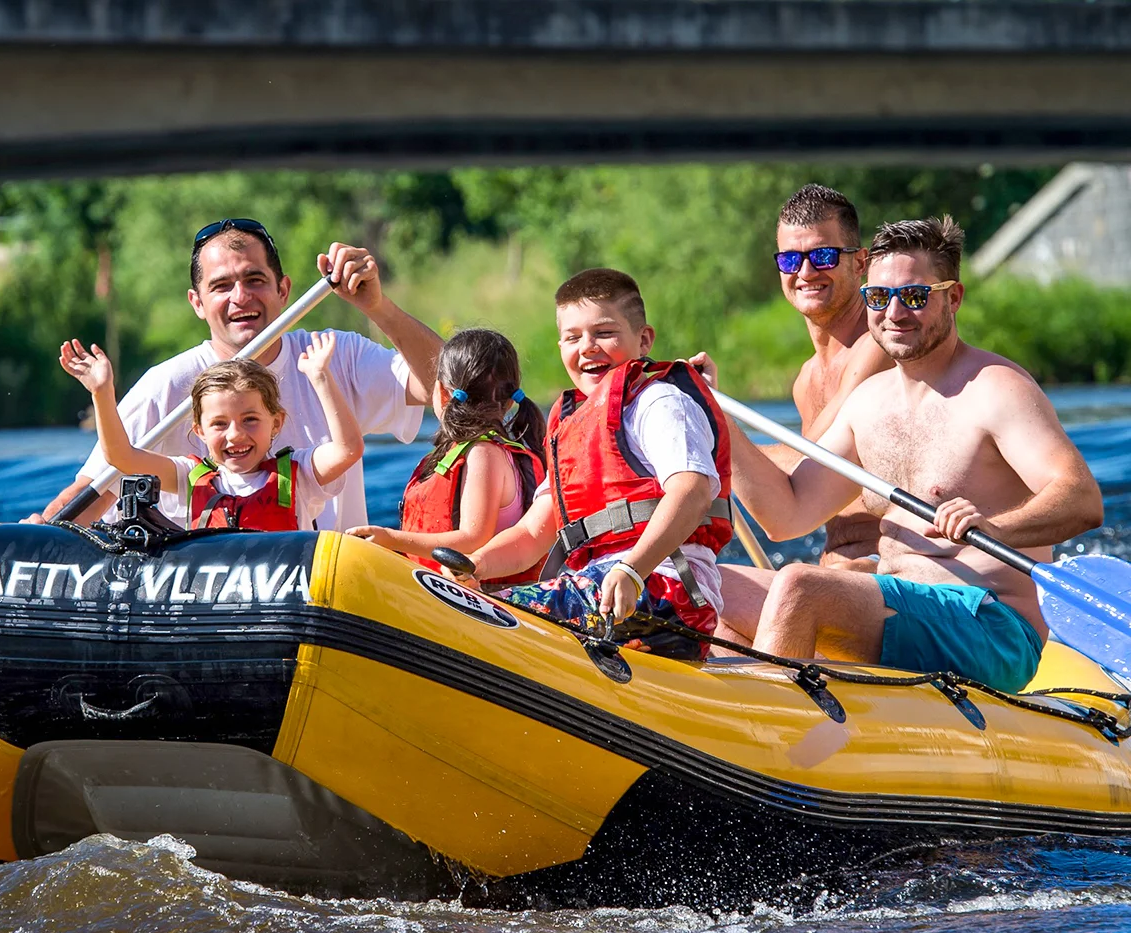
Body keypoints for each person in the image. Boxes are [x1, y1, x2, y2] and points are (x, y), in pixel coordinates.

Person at [718, 215, 1103, 693]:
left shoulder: (996, 390)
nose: (895, 312)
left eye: (915, 297)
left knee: (799, 586)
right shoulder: (868, 402)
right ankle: (721, 739)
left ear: (953, 297)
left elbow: (1082, 499)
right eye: (878, 298)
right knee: (712, 585)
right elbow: (787, 514)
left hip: (988, 626)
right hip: (901, 610)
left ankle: (768, 734)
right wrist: (719, 423)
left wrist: (997, 527)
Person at [30, 218, 441, 528]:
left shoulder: (331, 356)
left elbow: (445, 385)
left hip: (324, 596)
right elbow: (100, 486)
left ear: (283, 290)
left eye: (255, 279)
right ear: (197, 302)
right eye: (222, 285)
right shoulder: (168, 386)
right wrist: (38, 538)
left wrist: (377, 307)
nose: (240, 297)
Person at [455, 269, 734, 661]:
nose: (587, 347)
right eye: (573, 337)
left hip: (663, 592)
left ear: (643, 339)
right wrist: (475, 565)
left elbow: (693, 491)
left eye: (604, 333)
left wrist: (633, 570)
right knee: (471, 606)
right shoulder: (569, 427)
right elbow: (534, 533)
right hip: (598, 591)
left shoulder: (659, 402)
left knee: (486, 618)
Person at [695, 183, 892, 580]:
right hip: (837, 567)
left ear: (860, 263)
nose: (805, 272)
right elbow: (789, 493)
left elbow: (805, 465)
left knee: (723, 585)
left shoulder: (881, 346)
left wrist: (710, 425)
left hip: (896, 570)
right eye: (790, 259)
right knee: (702, 583)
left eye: (822, 255)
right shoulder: (806, 379)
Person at [59, 331, 362, 531]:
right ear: (199, 431)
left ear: (277, 423)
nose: (235, 435)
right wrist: (102, 393)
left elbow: (348, 450)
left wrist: (321, 378)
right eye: (219, 424)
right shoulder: (189, 477)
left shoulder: (298, 474)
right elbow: (120, 456)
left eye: (250, 420)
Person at [346, 328, 547, 583]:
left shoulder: (484, 454)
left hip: (481, 599)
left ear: (441, 393)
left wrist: (390, 538)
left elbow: (473, 538)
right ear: (509, 402)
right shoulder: (464, 452)